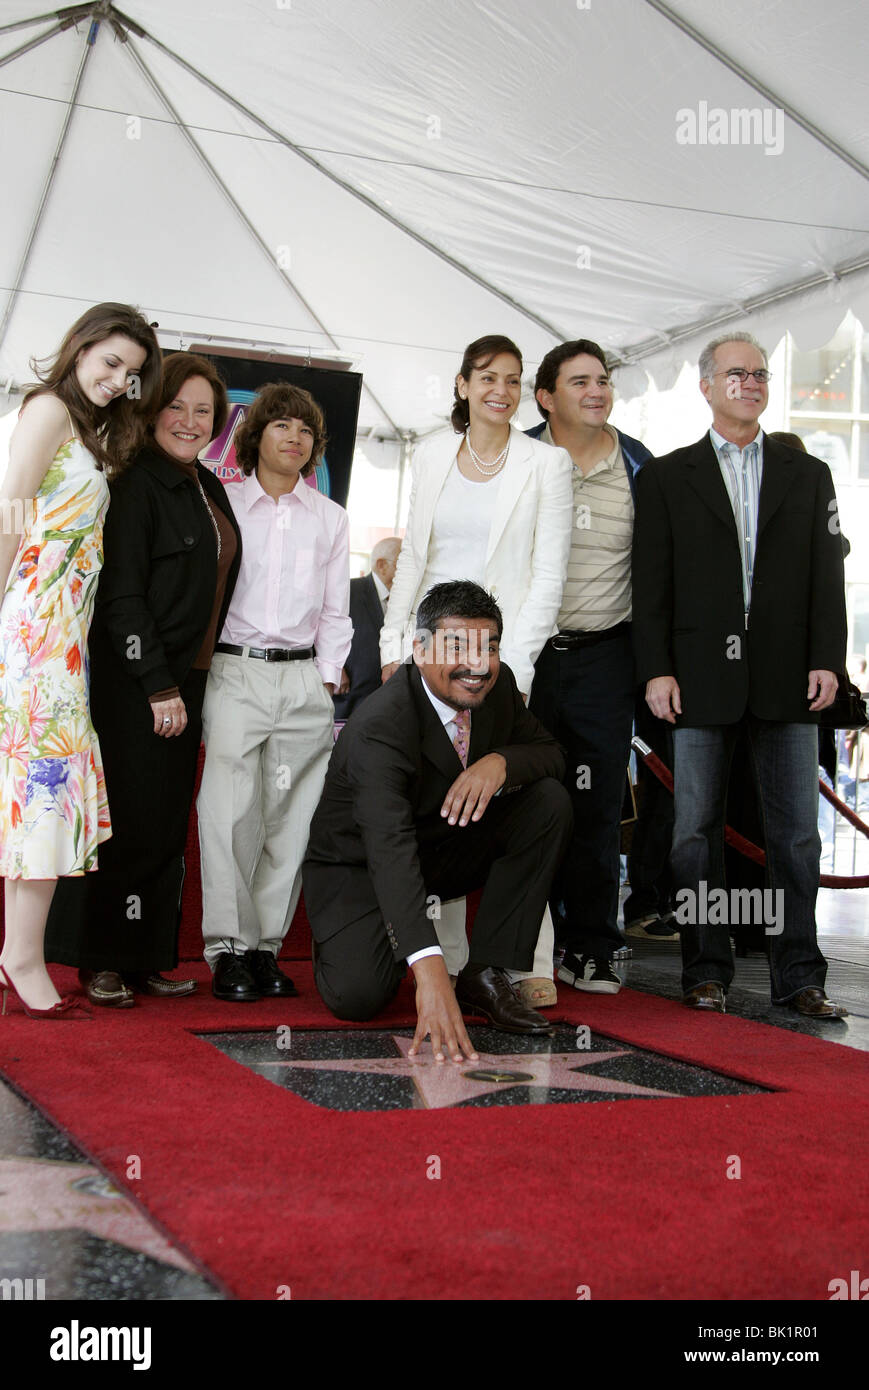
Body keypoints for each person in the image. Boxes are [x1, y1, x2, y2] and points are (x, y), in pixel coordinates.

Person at [632, 331, 848, 1018]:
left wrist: (828, 660)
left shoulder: (806, 474)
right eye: (735, 373)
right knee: (693, 830)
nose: (749, 383)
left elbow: (825, 579)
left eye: (758, 374)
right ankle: (704, 967)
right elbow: (651, 586)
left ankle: (798, 974)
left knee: (794, 836)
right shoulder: (667, 476)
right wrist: (656, 671)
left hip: (788, 678)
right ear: (705, 385)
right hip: (697, 680)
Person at [379, 335, 573, 1004]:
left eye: (512, 379)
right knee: (438, 797)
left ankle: (528, 964)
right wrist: (391, 642)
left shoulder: (546, 464)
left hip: (502, 660)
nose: (501, 388)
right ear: (462, 384)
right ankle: (449, 957)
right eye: (487, 376)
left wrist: (506, 667)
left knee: (505, 796)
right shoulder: (431, 453)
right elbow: (412, 558)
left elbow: (548, 575)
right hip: (430, 654)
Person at [44, 353, 242, 1005]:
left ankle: (144, 956)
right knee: (124, 823)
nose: (189, 421)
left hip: (188, 680)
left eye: (203, 411)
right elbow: (122, 596)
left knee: (161, 826)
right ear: (150, 408)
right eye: (176, 406)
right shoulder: (132, 483)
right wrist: (156, 684)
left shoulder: (206, 485)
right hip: (138, 682)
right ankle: (97, 958)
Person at [303, 581, 573, 1058]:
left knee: (547, 801)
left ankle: (484, 972)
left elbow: (551, 755)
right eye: (457, 646)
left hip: (439, 850)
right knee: (358, 997)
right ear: (420, 649)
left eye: (488, 647)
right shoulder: (381, 726)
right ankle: (372, 939)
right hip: (361, 867)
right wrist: (429, 975)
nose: (477, 665)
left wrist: (500, 764)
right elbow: (388, 848)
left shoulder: (500, 685)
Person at [0, 303, 161, 1020]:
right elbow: (8, 512)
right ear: (81, 348)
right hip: (33, 633)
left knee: (40, 791)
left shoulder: (94, 428)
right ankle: (23, 955)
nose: (118, 380)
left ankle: (18, 951)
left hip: (63, 638)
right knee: (45, 790)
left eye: (131, 373)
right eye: (110, 363)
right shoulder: (46, 411)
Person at [197, 381, 352, 1002]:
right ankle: (227, 949)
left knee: (291, 821)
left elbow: (338, 611)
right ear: (254, 435)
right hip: (236, 671)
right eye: (281, 424)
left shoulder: (331, 518)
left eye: (306, 428)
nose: (294, 436)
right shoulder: (223, 504)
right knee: (229, 815)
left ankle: (264, 950)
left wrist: (329, 678)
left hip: (304, 678)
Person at [525, 339, 654, 992]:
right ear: (546, 396)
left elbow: (659, 574)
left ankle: (592, 945)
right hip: (525, 658)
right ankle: (526, 942)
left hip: (606, 658)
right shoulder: (513, 457)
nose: (597, 390)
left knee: (597, 802)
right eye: (579, 381)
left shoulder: (638, 465)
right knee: (523, 796)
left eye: (602, 380)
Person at [332, 536, 402, 720]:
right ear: (381, 565)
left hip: (385, 701)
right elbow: (321, 628)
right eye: (403, 563)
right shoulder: (348, 591)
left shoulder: (405, 601)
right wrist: (335, 667)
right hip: (348, 699)